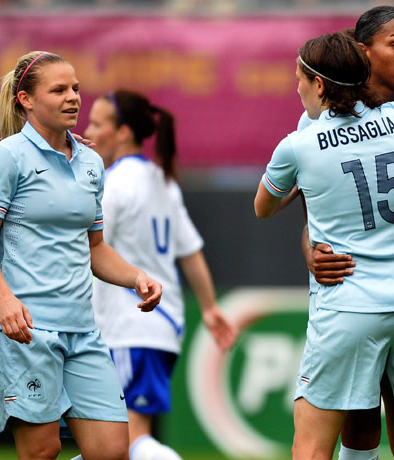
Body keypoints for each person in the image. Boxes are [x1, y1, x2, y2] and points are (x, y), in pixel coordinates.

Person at [254, 31, 394, 460]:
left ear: (319, 84)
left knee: (312, 449)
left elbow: (264, 208)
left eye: (299, 79)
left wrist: (302, 184)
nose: (297, 88)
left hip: (348, 307)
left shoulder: (298, 145)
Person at [0, 51, 163, 460]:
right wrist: (4, 299)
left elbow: (96, 248)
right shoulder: (5, 157)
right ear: (25, 100)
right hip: (26, 330)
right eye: (58, 90)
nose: (73, 97)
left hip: (83, 331)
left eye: (75, 88)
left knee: (112, 452)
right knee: (42, 451)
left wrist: (136, 277)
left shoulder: (92, 162)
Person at [82, 89, 239, 460]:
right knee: (113, 446)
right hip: (163, 327)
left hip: (128, 325)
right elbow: (191, 252)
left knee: (126, 441)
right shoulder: (162, 180)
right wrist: (209, 308)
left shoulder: (112, 183)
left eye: (97, 124)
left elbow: (90, 249)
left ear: (123, 132)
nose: (88, 131)